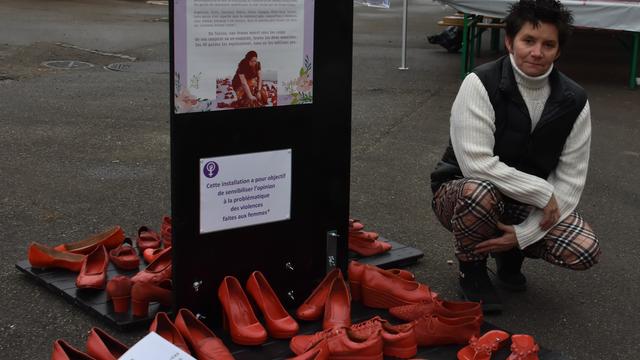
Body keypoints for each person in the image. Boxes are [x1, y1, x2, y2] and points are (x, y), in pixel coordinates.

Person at [430, 0, 601, 312]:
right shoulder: (480, 82)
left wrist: (524, 235)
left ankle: (510, 256)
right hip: (459, 191)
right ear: (510, 41)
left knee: (583, 249)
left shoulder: (575, 100)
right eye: (528, 41)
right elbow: (475, 164)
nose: (537, 52)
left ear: (559, 50)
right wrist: (542, 192)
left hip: (527, 204)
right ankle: (472, 268)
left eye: (548, 44)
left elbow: (571, 180)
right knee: (478, 191)